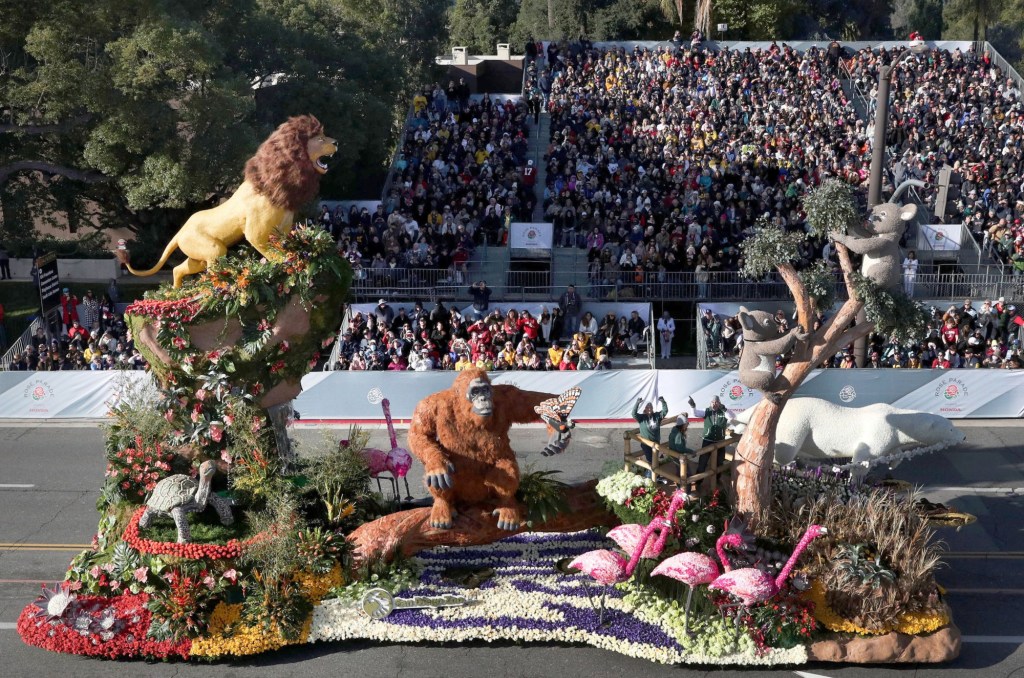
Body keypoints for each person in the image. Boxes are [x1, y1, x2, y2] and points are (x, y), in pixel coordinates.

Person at [687, 395, 734, 489]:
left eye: (716, 402)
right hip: (707, 441)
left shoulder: (723, 412)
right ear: (710, 403)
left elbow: (732, 417)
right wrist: (693, 406)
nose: (714, 404)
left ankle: (717, 479)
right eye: (713, 402)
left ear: (719, 403)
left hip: (720, 442)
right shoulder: (707, 411)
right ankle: (698, 482)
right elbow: (695, 413)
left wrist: (724, 408)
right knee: (702, 462)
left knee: (720, 462)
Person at [633, 396, 668, 478]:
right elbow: (633, 414)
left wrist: (663, 401)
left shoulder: (657, 416)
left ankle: (655, 475)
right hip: (646, 443)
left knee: (654, 460)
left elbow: (665, 411)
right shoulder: (641, 418)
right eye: (647, 407)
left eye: (651, 407)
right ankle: (651, 476)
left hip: (655, 443)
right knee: (650, 460)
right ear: (645, 409)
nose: (649, 408)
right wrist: (637, 403)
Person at [667, 414, 691, 481]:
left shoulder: (674, 431)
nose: (687, 425)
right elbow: (680, 448)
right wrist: (691, 451)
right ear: (682, 424)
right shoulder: (679, 434)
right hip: (678, 456)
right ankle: (685, 488)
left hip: (674, 455)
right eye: (687, 424)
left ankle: (679, 487)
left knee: (679, 470)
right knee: (687, 473)